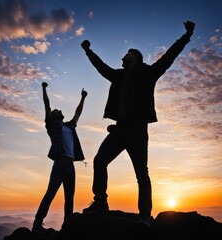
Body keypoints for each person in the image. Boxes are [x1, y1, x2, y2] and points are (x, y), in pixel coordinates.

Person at [80, 21, 195, 227]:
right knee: (99, 161)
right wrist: (89, 51)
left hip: (137, 131)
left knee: (142, 173)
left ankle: (144, 216)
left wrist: (186, 36)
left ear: (134, 57)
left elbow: (169, 56)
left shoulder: (148, 73)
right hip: (119, 130)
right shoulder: (118, 75)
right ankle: (100, 203)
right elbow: (101, 67)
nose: (122, 57)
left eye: (126, 55)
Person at [32, 82, 88, 233]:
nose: (58, 110)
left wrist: (83, 98)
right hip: (59, 165)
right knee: (50, 194)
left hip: (71, 166)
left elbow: (77, 113)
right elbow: (47, 106)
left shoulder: (69, 126)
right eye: (56, 110)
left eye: (58, 110)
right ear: (53, 116)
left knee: (69, 198)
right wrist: (44, 89)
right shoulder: (52, 126)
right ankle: (37, 224)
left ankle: (67, 226)